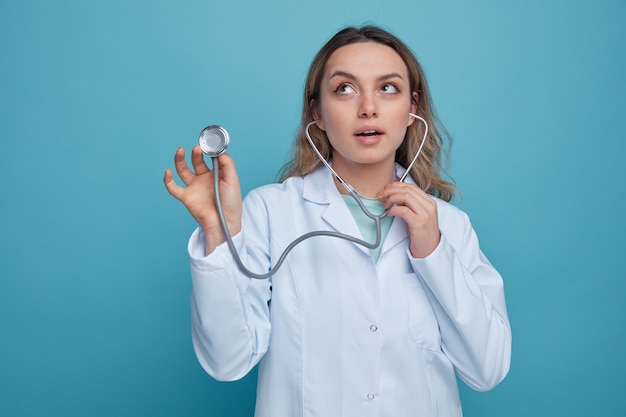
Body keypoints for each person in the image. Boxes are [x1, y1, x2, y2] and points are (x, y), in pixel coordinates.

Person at [164, 25, 511, 417]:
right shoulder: (271, 212)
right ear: (318, 113)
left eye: (388, 88)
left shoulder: (451, 225)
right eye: (344, 89)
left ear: (413, 109)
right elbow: (228, 361)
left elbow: (488, 370)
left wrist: (434, 252)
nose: (368, 107)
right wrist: (217, 230)